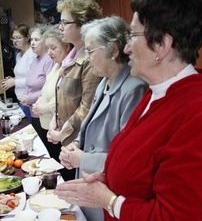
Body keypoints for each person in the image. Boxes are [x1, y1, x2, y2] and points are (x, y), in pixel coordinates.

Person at [54, 0, 202, 220]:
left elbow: (174, 216)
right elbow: (142, 167)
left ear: (162, 45)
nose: (127, 47)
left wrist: (109, 200)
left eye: (132, 35)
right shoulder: (156, 93)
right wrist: (110, 178)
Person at [59, 16, 148, 221]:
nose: (88, 57)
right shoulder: (105, 81)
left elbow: (131, 158)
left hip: (110, 192)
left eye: (91, 51)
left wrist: (82, 158)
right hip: (92, 184)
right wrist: (74, 145)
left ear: (114, 50)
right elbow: (89, 128)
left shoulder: (134, 89)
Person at [47, 0, 103, 181]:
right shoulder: (71, 56)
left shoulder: (90, 59)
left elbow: (87, 108)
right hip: (66, 140)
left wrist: (61, 131)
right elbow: (62, 96)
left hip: (80, 146)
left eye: (64, 22)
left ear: (82, 25)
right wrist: (54, 123)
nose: (59, 27)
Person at [32, 25, 72, 161]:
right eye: (48, 48)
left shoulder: (68, 68)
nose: (49, 52)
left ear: (67, 47)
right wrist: (39, 100)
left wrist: (43, 108)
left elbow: (63, 96)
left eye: (53, 48)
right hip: (46, 123)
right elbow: (47, 88)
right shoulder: (56, 65)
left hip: (57, 128)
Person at [20, 24, 54, 136]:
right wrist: (25, 97)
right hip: (33, 111)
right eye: (32, 40)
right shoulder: (36, 59)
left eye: (37, 40)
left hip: (45, 113)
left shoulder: (49, 60)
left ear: (45, 42)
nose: (32, 43)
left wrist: (29, 98)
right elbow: (30, 83)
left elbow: (49, 87)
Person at [0, 24, 36, 122]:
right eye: (13, 38)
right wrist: (12, 79)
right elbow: (22, 75)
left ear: (27, 37)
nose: (15, 41)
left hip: (28, 99)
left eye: (18, 38)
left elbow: (32, 80)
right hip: (20, 98)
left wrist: (14, 82)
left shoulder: (31, 55)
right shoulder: (19, 55)